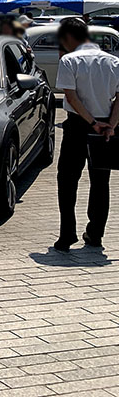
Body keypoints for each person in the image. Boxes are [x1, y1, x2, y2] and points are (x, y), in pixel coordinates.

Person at [54, 17, 119, 251]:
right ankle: (95, 234)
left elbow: (71, 97)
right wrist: (109, 125)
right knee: (100, 182)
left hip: (78, 126)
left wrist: (91, 122)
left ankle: (67, 233)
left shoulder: (70, 60)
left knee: (68, 180)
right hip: (105, 129)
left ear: (69, 37)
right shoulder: (114, 62)